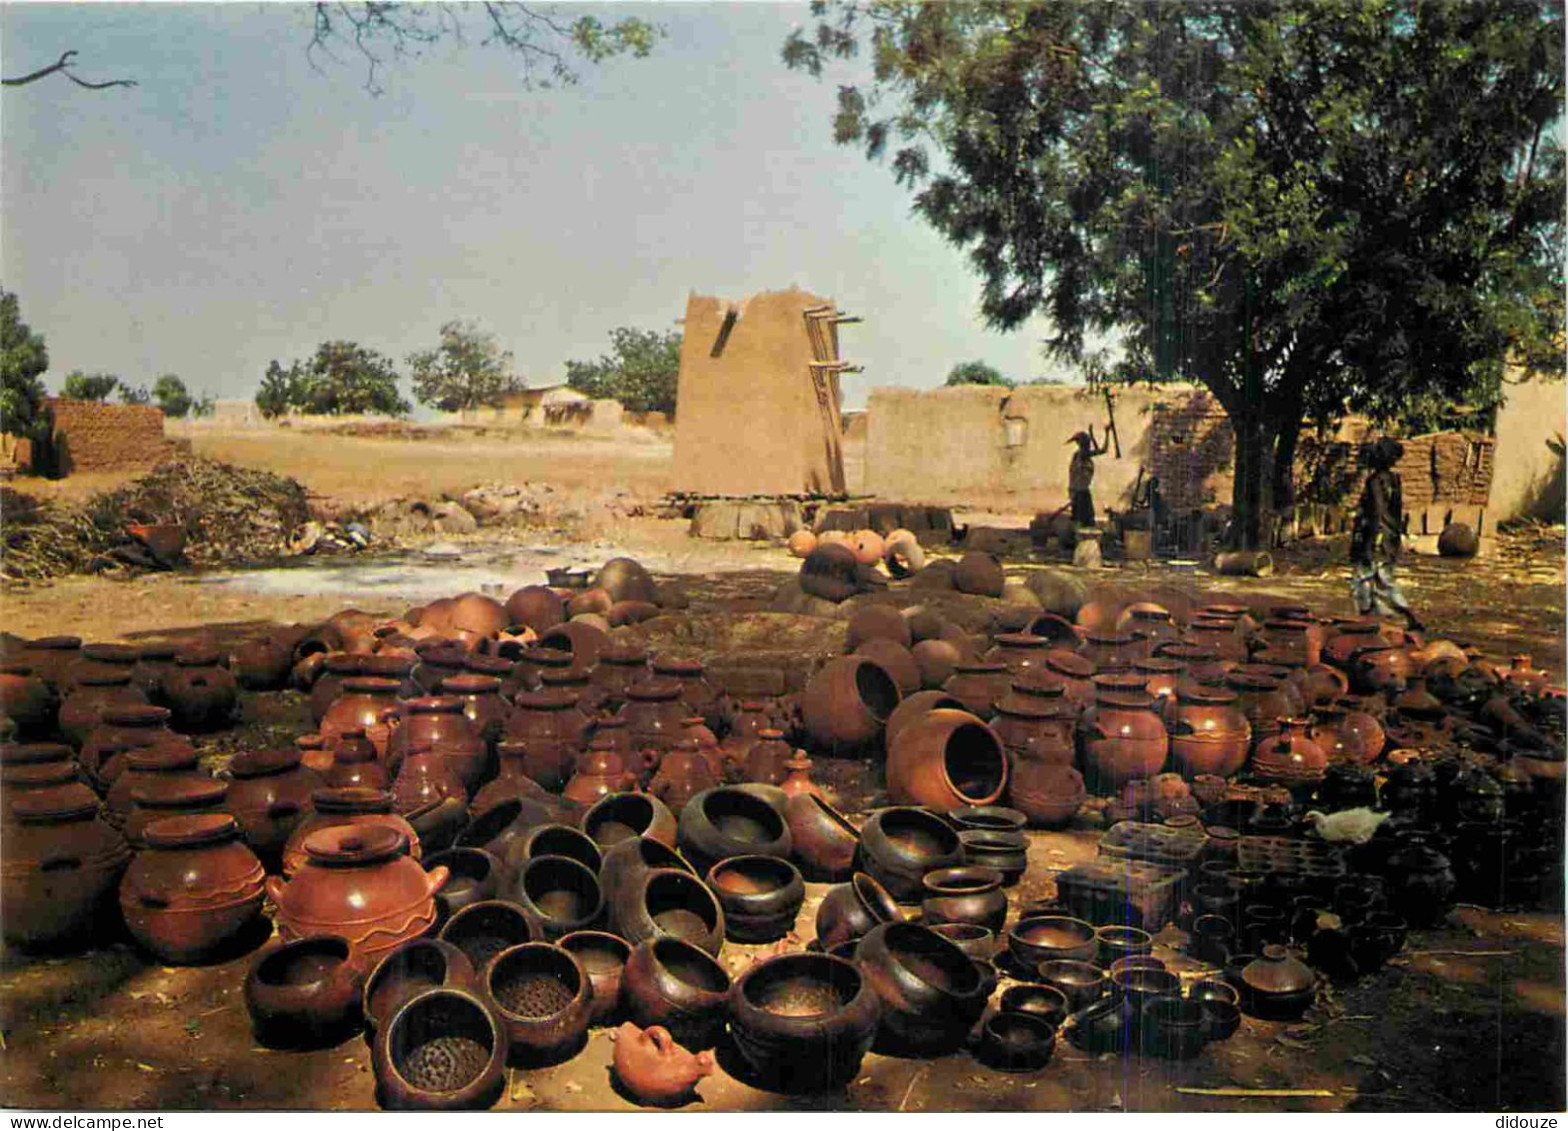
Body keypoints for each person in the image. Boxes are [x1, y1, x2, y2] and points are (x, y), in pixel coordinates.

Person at [1350, 436, 1423, 630]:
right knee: (1383, 580)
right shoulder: (1394, 480)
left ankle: (1368, 621)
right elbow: (1396, 513)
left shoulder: (1374, 481)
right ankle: (1383, 619)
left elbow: (1376, 513)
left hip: (1375, 539)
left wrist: (1368, 543)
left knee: (1364, 580)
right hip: (1388, 538)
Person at [1066, 425, 1108, 526]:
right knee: (1084, 520)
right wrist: (1107, 433)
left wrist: (1093, 435)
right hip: (1080, 492)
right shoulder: (1082, 455)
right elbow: (1102, 450)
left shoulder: (1080, 455)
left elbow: (1099, 450)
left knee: (1082, 519)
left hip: (1080, 490)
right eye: (1087, 443)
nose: (1089, 445)